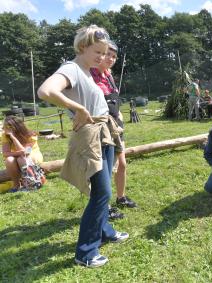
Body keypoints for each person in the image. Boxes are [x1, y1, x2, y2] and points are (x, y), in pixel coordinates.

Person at [37, 25, 128, 268]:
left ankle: (105, 231)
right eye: (97, 52)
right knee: (101, 192)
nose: (101, 57)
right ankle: (86, 252)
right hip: (90, 137)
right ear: (82, 48)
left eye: (104, 52)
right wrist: (77, 108)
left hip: (104, 134)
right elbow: (45, 90)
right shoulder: (72, 69)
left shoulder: (88, 71)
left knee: (104, 187)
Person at [90, 40, 137, 221]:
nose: (110, 58)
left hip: (116, 125)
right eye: (107, 54)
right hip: (103, 128)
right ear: (99, 55)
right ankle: (105, 206)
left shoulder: (109, 76)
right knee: (106, 169)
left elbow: (114, 101)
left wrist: (120, 117)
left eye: (114, 56)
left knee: (122, 164)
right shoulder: (91, 75)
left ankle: (121, 197)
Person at [2, 116, 43, 190]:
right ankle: (16, 185)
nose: (3, 129)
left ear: (14, 127)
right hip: (18, 156)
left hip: (33, 156)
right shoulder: (5, 136)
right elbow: (5, 153)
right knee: (9, 160)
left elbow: (26, 153)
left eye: (4, 127)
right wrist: (20, 153)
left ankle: (30, 183)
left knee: (21, 159)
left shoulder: (30, 135)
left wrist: (13, 137)